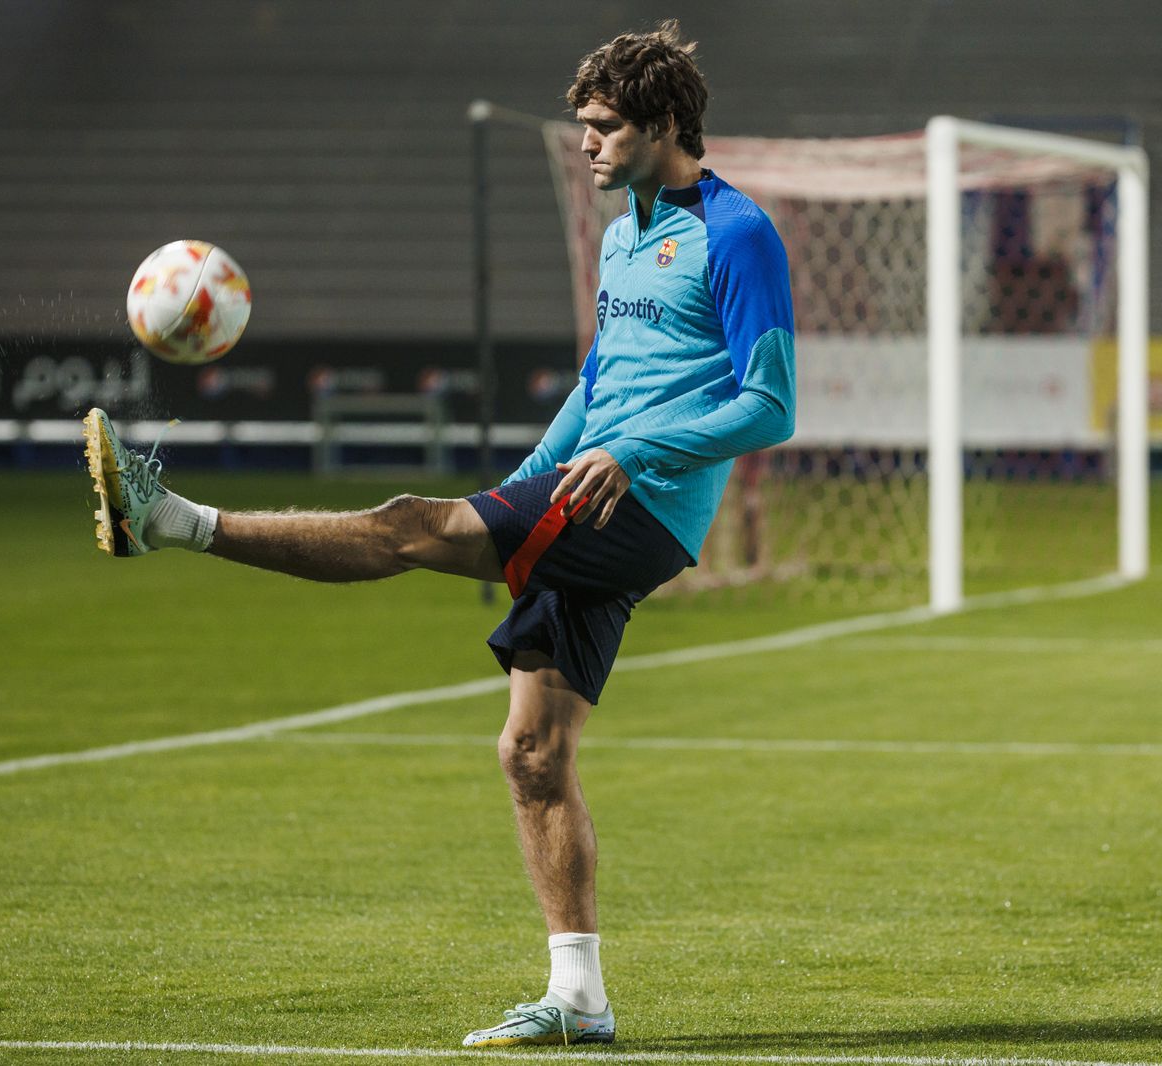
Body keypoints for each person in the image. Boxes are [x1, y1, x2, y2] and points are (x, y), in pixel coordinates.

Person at [83, 19, 794, 1048]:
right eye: (583, 125)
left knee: (409, 529)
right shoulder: (622, 233)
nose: (586, 143)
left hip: (639, 505)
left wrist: (635, 453)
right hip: (584, 487)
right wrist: (524, 481)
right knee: (531, 752)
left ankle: (167, 519)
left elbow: (770, 406)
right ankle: (579, 1000)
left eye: (603, 127)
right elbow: (600, 382)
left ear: (665, 125)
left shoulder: (738, 234)